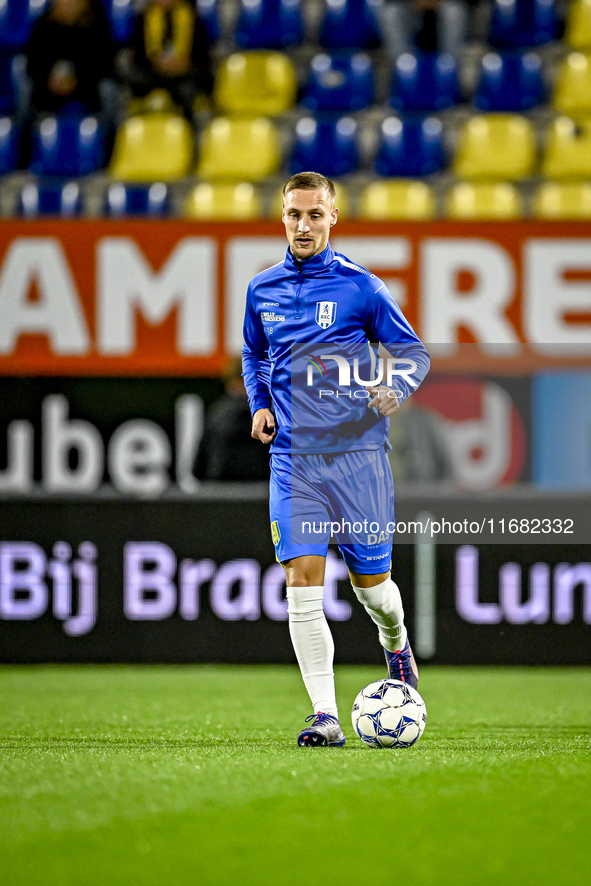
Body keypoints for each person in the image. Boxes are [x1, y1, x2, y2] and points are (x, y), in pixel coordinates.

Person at [242, 171, 430, 747]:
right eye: (294, 215)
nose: (304, 225)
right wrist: (261, 403)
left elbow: (412, 352)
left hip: (358, 458)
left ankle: (396, 644)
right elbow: (253, 353)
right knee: (301, 582)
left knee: (373, 589)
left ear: (332, 217)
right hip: (295, 460)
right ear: (282, 217)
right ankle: (324, 715)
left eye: (314, 215)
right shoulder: (261, 290)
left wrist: (395, 387)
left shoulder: (362, 288)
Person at [125, 0, 213, 120]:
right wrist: (157, 63)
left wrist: (184, 65)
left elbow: (203, 59)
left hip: (184, 76)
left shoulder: (195, 17)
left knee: (191, 91)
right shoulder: (142, 18)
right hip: (152, 76)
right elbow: (137, 57)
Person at [25, 0, 115, 117]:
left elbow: (104, 64)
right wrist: (49, 80)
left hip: (88, 92)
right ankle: (27, 129)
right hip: (48, 93)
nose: (68, 3)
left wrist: (77, 81)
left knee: (108, 87)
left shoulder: (97, 26)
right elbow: (33, 63)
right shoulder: (44, 25)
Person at [195, 358, 271, 482]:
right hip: (262, 495)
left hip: (220, 494)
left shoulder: (217, 414)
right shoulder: (272, 415)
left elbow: (198, 467)